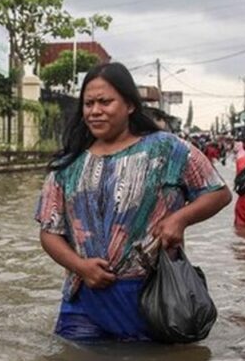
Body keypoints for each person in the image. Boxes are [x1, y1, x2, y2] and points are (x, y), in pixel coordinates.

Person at [36, 62, 231, 341]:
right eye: (88, 103)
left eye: (105, 102)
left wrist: (180, 219)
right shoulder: (67, 164)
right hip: (84, 299)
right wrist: (80, 267)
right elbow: (49, 232)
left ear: (129, 105)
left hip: (155, 298)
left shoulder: (167, 149)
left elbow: (218, 193)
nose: (95, 111)